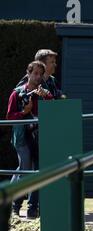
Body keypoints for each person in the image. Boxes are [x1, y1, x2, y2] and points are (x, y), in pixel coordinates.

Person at [6, 61, 54, 218]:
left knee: (38, 171)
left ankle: (33, 208)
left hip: (39, 137)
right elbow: (9, 117)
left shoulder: (43, 93)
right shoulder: (17, 93)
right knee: (25, 169)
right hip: (22, 138)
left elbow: (55, 109)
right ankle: (15, 206)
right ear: (28, 73)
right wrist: (24, 111)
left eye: (41, 74)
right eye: (35, 73)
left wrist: (47, 97)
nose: (38, 77)